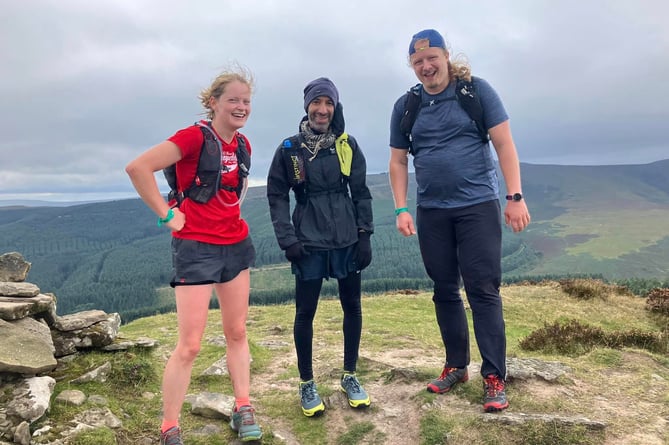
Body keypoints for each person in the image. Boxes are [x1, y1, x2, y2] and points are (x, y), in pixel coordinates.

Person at [388, 29, 531, 413]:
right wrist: (402, 208)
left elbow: (504, 142)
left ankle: (494, 376)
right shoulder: (407, 106)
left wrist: (514, 196)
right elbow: (399, 160)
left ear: (446, 56)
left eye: (432, 57)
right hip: (431, 210)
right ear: (412, 66)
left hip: (477, 206)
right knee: (444, 289)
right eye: (417, 62)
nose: (426, 66)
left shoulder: (476, 92)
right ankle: (456, 365)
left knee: (483, 289)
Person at [125, 67, 262, 443]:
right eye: (233, 99)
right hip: (196, 248)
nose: (241, 106)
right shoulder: (193, 137)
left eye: (246, 101)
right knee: (190, 345)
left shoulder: (243, 144)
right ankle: (170, 427)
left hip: (235, 245)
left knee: (236, 331)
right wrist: (167, 214)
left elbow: (232, 193)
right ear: (213, 102)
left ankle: (243, 405)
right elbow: (138, 168)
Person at [267, 77, 374, 417]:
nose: (323, 110)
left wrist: (365, 234)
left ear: (335, 107)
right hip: (308, 241)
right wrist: (288, 240)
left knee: (352, 306)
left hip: (345, 238)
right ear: (307, 106)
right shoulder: (289, 149)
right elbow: (276, 195)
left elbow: (360, 191)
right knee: (305, 313)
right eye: (317, 103)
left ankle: (350, 375)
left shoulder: (346, 144)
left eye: (329, 103)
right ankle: (306, 383)